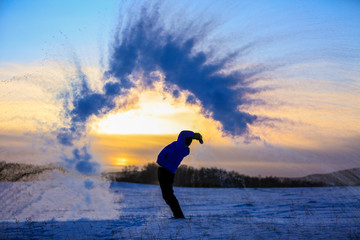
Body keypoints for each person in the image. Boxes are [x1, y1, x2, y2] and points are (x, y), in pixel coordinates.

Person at [157, 130, 203, 218]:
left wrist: (194, 135)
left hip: (166, 172)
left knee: (168, 195)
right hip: (166, 171)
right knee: (167, 195)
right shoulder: (181, 147)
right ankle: (178, 214)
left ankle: (178, 215)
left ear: (184, 140)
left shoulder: (180, 147)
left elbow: (183, 133)